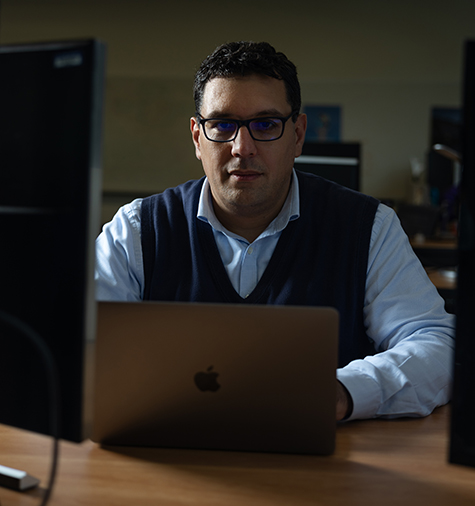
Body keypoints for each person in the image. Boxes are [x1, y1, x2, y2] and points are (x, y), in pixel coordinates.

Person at [95, 41, 455, 422]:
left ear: (298, 135)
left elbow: (438, 345)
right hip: (163, 457)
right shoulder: (136, 230)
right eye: (222, 124)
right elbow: (76, 343)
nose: (242, 147)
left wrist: (342, 392)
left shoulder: (368, 227)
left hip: (323, 467)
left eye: (266, 124)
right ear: (198, 137)